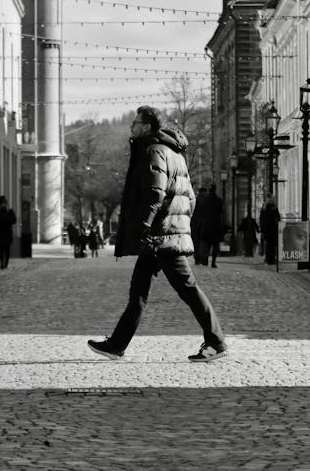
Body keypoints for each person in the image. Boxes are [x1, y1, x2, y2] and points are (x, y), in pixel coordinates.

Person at [88, 106, 227, 363]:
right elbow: (191, 199)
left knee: (188, 289)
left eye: (135, 122)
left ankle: (216, 341)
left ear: (148, 126)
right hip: (162, 235)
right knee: (138, 293)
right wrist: (179, 223)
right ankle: (117, 344)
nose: (131, 127)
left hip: (161, 236)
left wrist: (146, 225)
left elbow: (155, 194)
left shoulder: (154, 151)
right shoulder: (174, 153)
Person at [201, 184, 224, 268]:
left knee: (206, 244)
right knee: (215, 245)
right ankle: (213, 262)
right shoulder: (218, 200)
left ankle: (205, 259)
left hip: (207, 225)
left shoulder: (205, 200)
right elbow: (221, 212)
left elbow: (202, 211)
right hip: (215, 225)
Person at [259, 197, 281, 265]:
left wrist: (262, 230)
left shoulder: (264, 209)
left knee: (268, 245)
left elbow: (261, 220)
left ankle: (268, 259)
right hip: (273, 229)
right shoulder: (274, 209)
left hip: (266, 230)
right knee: (273, 245)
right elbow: (278, 219)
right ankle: (272, 259)